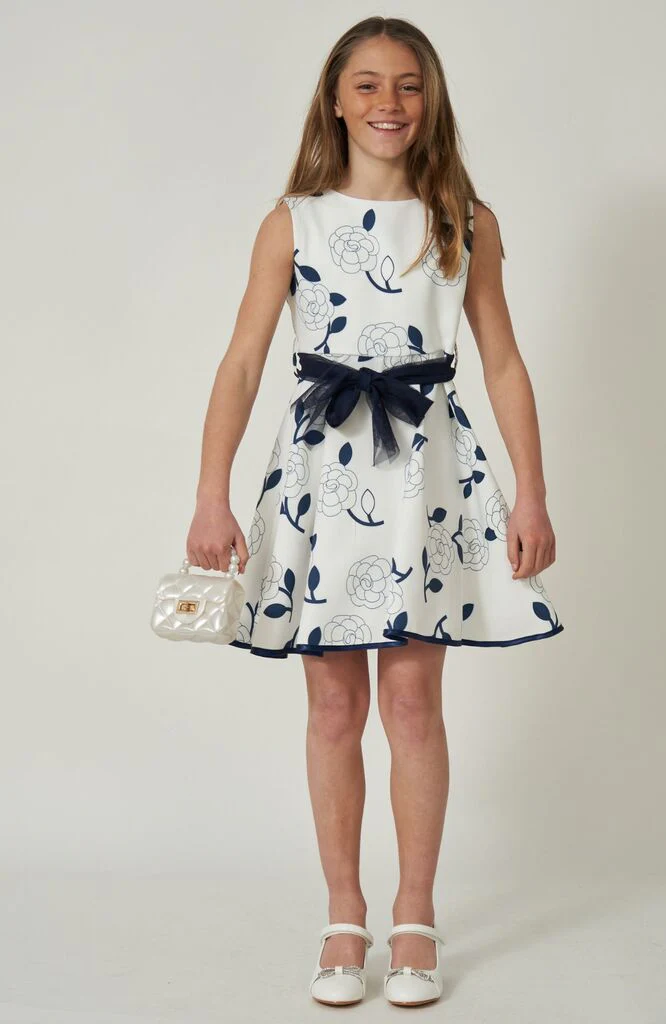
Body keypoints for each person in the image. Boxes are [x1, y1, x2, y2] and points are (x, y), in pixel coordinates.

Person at [185, 15, 564, 1007]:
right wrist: (211, 494)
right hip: (322, 474)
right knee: (332, 706)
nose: (389, 103)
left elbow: (503, 360)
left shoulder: (464, 221)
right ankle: (344, 914)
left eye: (408, 84)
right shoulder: (293, 222)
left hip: (425, 481)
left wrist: (531, 490)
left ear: (430, 100)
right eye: (367, 84)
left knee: (410, 701)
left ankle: (415, 913)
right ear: (336, 100)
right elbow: (242, 360)